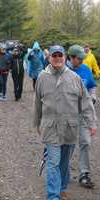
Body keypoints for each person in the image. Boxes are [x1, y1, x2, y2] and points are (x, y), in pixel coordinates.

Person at [33, 45, 97, 200]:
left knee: (64, 162)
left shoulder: (74, 78)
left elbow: (86, 102)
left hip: (70, 127)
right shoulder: (42, 77)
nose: (57, 58)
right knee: (53, 163)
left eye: (59, 55)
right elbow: (37, 102)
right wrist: (37, 123)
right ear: (49, 58)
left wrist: (91, 123)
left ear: (64, 58)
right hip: (50, 127)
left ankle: (61, 188)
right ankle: (53, 196)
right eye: (54, 56)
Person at [67, 45, 97, 189]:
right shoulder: (63, 71)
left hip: (83, 113)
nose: (81, 61)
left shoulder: (85, 69)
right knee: (68, 144)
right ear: (71, 58)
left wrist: (93, 96)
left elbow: (92, 85)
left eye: (82, 58)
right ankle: (63, 171)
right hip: (67, 115)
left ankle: (84, 174)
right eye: (78, 59)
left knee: (85, 141)